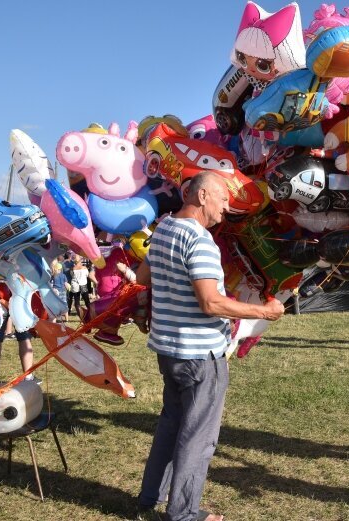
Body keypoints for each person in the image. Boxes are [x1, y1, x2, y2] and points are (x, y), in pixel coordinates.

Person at [135, 172, 285, 521]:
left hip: (168, 349)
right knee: (198, 436)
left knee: (171, 424)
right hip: (200, 355)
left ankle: (150, 497)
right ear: (202, 196)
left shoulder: (164, 231)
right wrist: (263, 310)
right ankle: (184, 513)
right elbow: (211, 303)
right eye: (222, 199)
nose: (226, 206)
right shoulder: (199, 240)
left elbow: (143, 279)